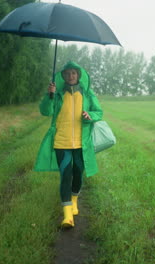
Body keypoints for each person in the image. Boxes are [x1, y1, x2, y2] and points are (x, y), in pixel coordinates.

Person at [34, 61, 103, 228]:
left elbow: (99, 112)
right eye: (67, 73)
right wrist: (49, 95)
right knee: (65, 176)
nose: (71, 76)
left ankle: (74, 200)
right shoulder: (57, 94)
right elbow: (45, 111)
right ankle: (67, 216)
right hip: (61, 142)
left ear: (78, 75)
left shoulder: (87, 94)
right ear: (63, 76)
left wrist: (90, 115)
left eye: (74, 73)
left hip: (81, 143)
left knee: (78, 173)